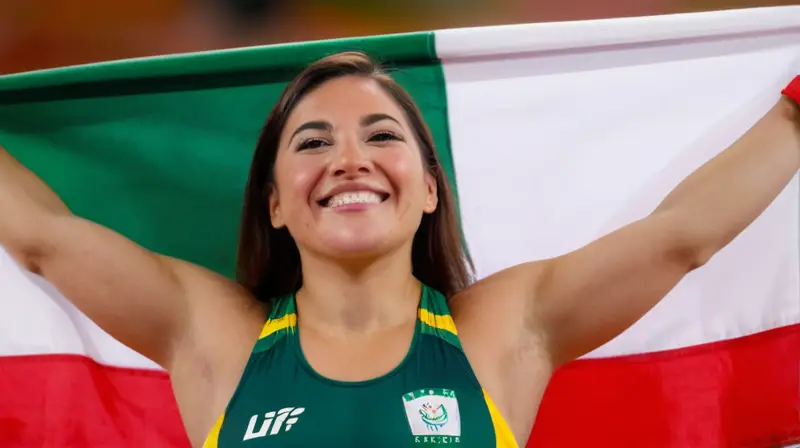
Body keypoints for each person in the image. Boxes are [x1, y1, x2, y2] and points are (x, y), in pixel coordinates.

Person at [0, 52, 798, 448]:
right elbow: (40, 238)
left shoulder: (505, 329)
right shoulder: (215, 337)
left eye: (381, 136)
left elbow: (682, 237)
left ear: (427, 189)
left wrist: (795, 113)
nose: (350, 159)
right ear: (274, 202)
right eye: (314, 142)